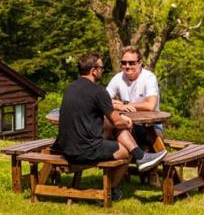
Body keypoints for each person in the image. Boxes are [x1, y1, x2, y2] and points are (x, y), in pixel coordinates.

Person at [53, 52, 166, 198]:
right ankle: (112, 189)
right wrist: (125, 120)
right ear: (94, 71)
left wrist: (119, 112)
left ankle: (141, 157)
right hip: (85, 150)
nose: (103, 70)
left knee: (111, 126)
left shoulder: (70, 88)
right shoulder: (97, 91)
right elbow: (118, 122)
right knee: (125, 152)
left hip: (66, 146)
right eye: (101, 67)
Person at [106, 46, 165, 152]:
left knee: (153, 143)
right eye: (124, 63)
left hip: (151, 125)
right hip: (128, 124)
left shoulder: (149, 77)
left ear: (139, 63)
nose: (127, 66)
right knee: (111, 133)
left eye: (131, 63)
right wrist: (120, 106)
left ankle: (148, 162)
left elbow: (150, 105)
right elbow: (103, 101)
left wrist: (125, 103)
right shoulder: (117, 78)